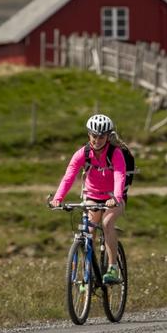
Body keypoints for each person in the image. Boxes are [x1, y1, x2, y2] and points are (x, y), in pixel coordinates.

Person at [51, 113, 127, 284]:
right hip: (92, 196)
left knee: (107, 224)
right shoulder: (82, 154)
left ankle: (113, 268)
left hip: (113, 197)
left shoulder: (115, 154)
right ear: (89, 135)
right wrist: (58, 197)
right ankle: (89, 270)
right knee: (89, 231)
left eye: (101, 137)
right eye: (94, 136)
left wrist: (116, 197)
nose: (97, 140)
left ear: (107, 137)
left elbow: (119, 176)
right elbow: (69, 176)